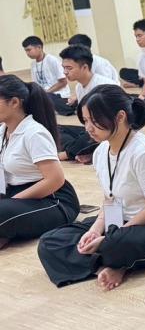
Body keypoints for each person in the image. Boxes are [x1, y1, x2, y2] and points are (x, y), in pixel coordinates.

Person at [37, 85, 145, 289]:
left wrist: (110, 237)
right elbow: (110, 199)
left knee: (116, 244)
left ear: (120, 117)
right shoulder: (100, 152)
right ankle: (110, 264)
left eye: (94, 121)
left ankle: (115, 263)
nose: (88, 128)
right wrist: (95, 231)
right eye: (85, 120)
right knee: (50, 242)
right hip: (123, 220)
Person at [0, 76, 79, 248]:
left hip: (51, 199)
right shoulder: (2, 130)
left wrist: (14, 201)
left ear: (14, 102)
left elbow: (55, 180)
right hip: (15, 194)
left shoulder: (34, 133)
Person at [57, 45, 118, 164]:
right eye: (64, 68)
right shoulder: (79, 87)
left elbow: (112, 125)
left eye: (69, 68)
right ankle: (81, 149)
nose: (65, 72)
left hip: (108, 131)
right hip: (91, 130)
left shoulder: (105, 86)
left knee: (90, 136)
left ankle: (69, 152)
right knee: (57, 128)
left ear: (84, 67)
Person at [21, 36, 71, 115]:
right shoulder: (33, 65)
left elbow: (63, 82)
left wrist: (46, 92)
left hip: (58, 95)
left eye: (29, 50)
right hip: (44, 96)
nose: (27, 53)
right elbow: (36, 85)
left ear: (39, 47)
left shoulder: (52, 60)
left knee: (47, 98)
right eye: (25, 51)